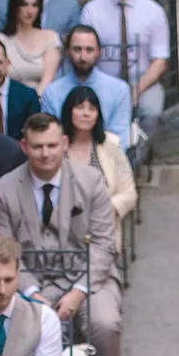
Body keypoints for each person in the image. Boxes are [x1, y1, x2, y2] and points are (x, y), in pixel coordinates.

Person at [0, 112, 124, 356]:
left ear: (64, 143)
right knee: (18, 333)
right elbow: (3, 254)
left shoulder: (91, 181)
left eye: (52, 145)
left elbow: (106, 245)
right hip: (30, 281)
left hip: (88, 278)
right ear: (24, 146)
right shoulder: (5, 190)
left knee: (105, 324)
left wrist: (79, 292)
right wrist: (32, 294)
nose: (45, 153)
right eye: (37, 147)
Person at [80, 0, 172, 139]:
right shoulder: (92, 10)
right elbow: (83, 53)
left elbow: (160, 61)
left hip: (143, 83)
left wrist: (136, 91)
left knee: (150, 112)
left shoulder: (153, 12)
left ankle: (141, 156)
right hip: (103, 82)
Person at [62, 84, 138, 255]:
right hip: (63, 231)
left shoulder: (110, 145)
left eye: (92, 108)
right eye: (80, 107)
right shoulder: (56, 146)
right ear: (69, 111)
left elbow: (129, 193)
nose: (86, 113)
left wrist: (102, 212)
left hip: (102, 232)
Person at [42, 26, 133, 142]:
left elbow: (119, 139)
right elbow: (49, 138)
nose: (83, 57)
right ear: (67, 51)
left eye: (89, 50)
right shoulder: (51, 92)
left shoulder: (119, 90)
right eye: (77, 49)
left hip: (107, 157)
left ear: (99, 52)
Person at [0, 0, 63, 92]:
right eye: (24, 4)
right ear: (15, 7)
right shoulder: (0, 40)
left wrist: (33, 102)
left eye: (34, 5)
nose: (29, 11)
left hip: (40, 100)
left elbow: (48, 78)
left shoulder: (50, 37)